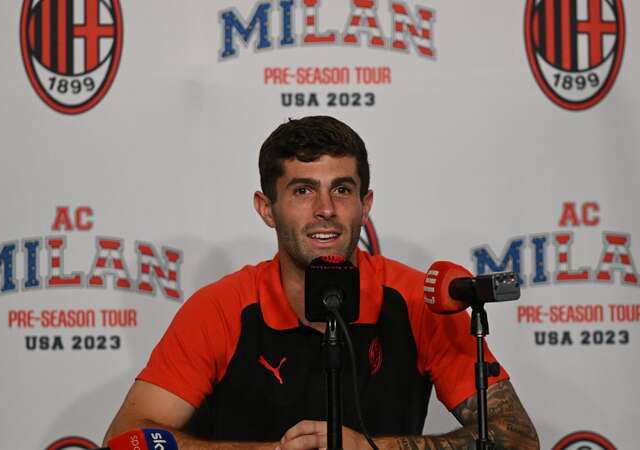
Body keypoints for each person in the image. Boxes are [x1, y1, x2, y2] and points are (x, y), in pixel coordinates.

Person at [103, 116, 539, 450]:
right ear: (266, 208)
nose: (326, 209)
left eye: (343, 190)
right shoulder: (220, 308)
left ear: (365, 205)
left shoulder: (417, 301)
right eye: (303, 191)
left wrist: (372, 448)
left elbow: (517, 437)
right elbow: (126, 439)